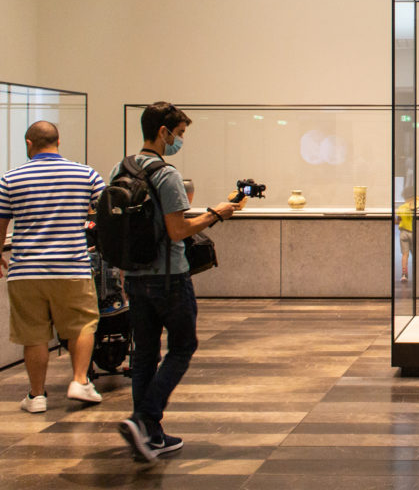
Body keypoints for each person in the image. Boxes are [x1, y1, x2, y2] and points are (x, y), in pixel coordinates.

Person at [115, 102, 242, 462]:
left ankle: (150, 436)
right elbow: (177, 230)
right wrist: (217, 212)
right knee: (183, 348)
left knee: (143, 356)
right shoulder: (165, 174)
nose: (179, 141)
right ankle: (143, 419)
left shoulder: (119, 168)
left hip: (134, 278)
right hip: (169, 278)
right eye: (180, 134)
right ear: (163, 132)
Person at [0, 121, 106, 413]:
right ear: (58, 142)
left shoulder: (10, 178)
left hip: (25, 270)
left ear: (28, 144)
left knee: (33, 335)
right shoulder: (86, 174)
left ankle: (36, 396)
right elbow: (108, 212)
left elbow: (1, 223)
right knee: (82, 324)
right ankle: (80, 381)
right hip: (71, 266)